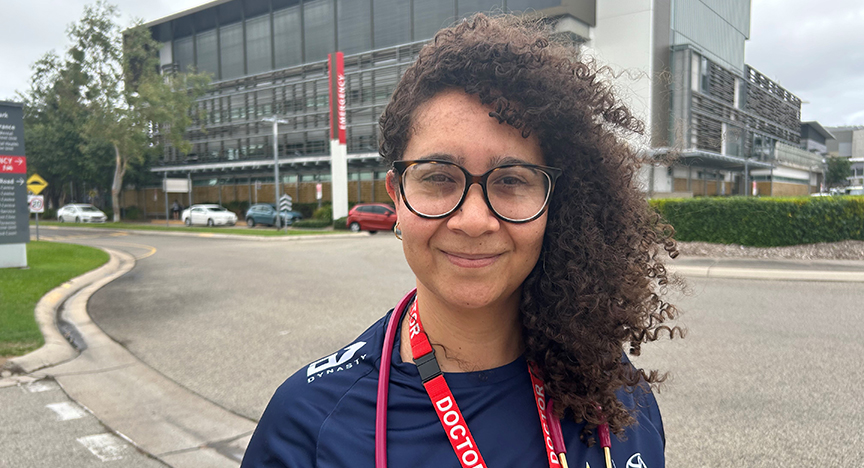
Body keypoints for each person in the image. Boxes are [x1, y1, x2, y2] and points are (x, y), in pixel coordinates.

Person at [242, 13, 682, 468]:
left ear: (555, 202)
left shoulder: (615, 393)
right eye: (438, 177)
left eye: (511, 180)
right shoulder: (308, 427)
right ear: (397, 197)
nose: (474, 221)